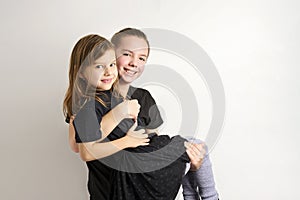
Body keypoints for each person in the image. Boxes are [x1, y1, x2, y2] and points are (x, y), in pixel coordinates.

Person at [63, 34, 203, 200]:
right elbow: (83, 150)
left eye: (111, 65)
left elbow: (149, 144)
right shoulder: (92, 105)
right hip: (108, 189)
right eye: (99, 66)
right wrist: (124, 134)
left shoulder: (134, 98)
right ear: (81, 73)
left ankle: (199, 192)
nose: (108, 71)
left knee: (190, 148)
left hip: (133, 181)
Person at [110, 28, 219, 200]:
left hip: (146, 171)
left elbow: (153, 144)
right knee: (187, 150)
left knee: (194, 149)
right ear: (109, 54)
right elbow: (88, 147)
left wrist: (192, 164)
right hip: (117, 186)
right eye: (127, 54)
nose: (134, 63)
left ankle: (206, 195)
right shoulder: (97, 99)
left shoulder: (143, 97)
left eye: (141, 58)